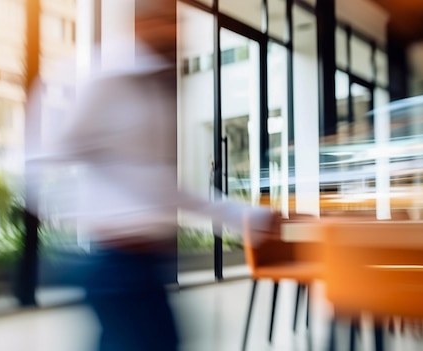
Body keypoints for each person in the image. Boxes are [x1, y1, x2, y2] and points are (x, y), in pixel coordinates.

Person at [25, 1, 279, 350]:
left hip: (147, 263)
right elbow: (40, 157)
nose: (175, 32)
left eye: (177, 22)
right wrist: (84, 219)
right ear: (140, 23)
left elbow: (162, 189)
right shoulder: (106, 78)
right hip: (115, 263)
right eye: (165, 21)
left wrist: (245, 216)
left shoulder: (156, 88)